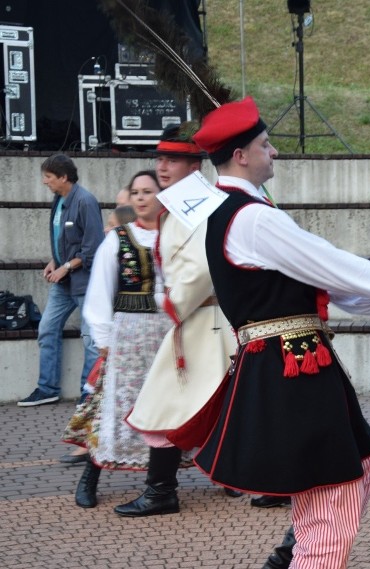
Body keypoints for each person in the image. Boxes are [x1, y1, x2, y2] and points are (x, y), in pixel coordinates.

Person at [187, 96, 370, 569]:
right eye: (266, 145)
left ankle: (293, 558)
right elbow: (329, 263)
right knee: (335, 493)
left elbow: (316, 278)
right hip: (292, 368)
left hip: (297, 363)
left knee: (356, 467)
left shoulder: (243, 210)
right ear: (241, 155)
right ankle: (302, 559)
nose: (274, 152)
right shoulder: (251, 216)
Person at [116, 124, 243, 516]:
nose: (162, 166)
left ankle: (163, 492)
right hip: (201, 319)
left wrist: (175, 302)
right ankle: (171, 489)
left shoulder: (198, 202)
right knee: (202, 406)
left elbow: (202, 264)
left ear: (194, 163)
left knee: (167, 403)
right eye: (160, 159)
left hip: (207, 318)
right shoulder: (183, 200)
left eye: (172, 159)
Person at [62, 170, 189, 509]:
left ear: (163, 196)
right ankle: (91, 475)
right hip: (130, 333)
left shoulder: (179, 236)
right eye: (136, 192)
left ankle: (181, 480)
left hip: (171, 333)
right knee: (115, 404)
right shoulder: (118, 238)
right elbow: (100, 290)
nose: (142, 198)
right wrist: (103, 337)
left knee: (177, 406)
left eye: (149, 191)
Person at [18, 154, 103, 407]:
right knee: (46, 329)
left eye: (48, 177)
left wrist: (65, 266)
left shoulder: (86, 201)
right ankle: (47, 389)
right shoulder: (59, 199)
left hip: (85, 283)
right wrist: (55, 260)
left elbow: (92, 247)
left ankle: (88, 394)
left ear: (64, 177)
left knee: (90, 340)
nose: (45, 182)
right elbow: (63, 238)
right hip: (63, 282)